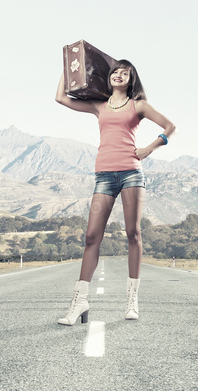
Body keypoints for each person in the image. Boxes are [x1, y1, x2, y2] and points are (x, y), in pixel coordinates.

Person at [54, 58, 176, 325]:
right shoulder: (100, 106)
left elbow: (170, 128)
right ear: (108, 78)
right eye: (115, 72)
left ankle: (132, 300)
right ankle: (79, 302)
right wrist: (67, 66)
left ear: (131, 80)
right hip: (104, 177)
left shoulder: (138, 105)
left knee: (133, 233)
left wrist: (149, 148)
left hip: (131, 174)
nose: (119, 75)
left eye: (125, 73)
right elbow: (61, 98)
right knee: (91, 237)